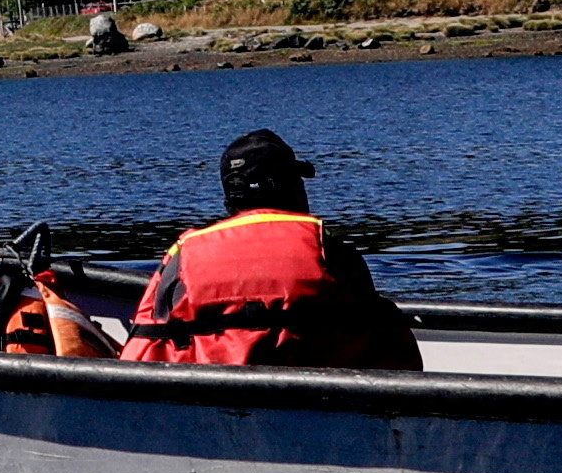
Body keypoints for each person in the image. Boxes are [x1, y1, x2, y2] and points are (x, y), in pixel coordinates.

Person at [120, 129, 427, 374]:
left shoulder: (184, 252)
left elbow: (142, 345)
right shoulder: (328, 247)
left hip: (211, 399)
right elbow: (390, 345)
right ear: (287, 186)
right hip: (319, 401)